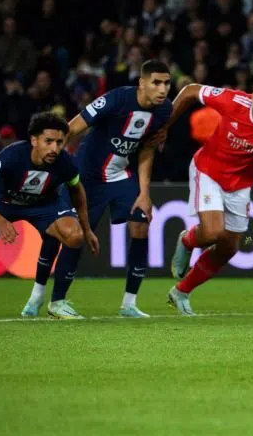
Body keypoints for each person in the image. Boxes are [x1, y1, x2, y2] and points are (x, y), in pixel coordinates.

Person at [165, 72, 253, 315]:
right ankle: (187, 240)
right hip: (208, 171)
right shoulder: (233, 101)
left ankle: (180, 292)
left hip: (240, 184)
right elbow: (191, 90)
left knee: (229, 248)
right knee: (212, 232)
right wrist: (164, 127)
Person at [41, 60, 173, 319]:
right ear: (142, 83)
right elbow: (74, 126)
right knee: (75, 236)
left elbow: (147, 149)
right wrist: (57, 166)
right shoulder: (116, 100)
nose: (163, 89)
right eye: (156, 83)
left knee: (141, 222)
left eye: (167, 83)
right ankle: (56, 301)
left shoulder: (164, 111)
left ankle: (129, 303)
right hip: (87, 177)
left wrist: (144, 193)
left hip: (120, 175)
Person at [0, 112, 99, 319]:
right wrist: (0, 222)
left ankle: (56, 303)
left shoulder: (65, 162)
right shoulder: (12, 155)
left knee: (74, 235)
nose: (54, 148)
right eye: (48, 141)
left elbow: (77, 191)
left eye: (59, 142)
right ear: (34, 140)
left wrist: (87, 229)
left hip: (43, 204)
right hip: (3, 203)